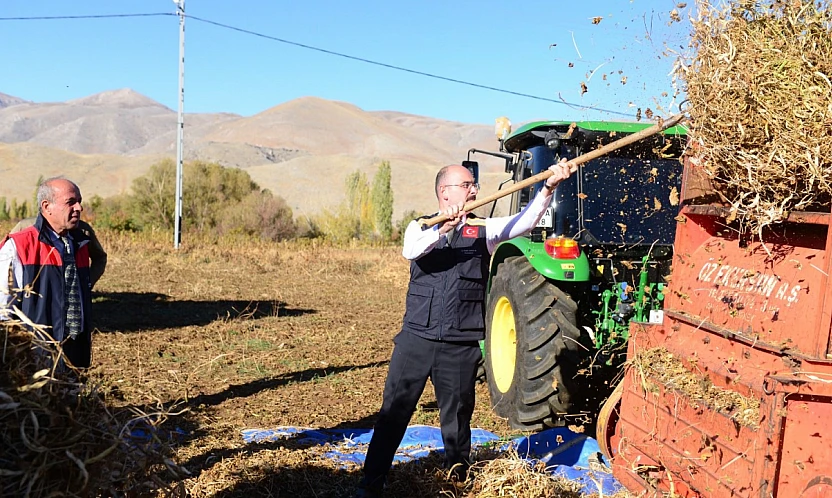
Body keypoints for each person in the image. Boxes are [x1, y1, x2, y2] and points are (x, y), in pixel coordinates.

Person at [357, 159, 576, 497]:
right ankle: (372, 483)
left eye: (474, 184)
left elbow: (524, 222)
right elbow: (411, 249)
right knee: (393, 412)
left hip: (460, 345)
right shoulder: (421, 226)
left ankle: (456, 482)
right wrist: (444, 227)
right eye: (467, 184)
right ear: (445, 192)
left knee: (457, 419)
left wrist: (548, 188)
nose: (475, 189)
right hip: (416, 339)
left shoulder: (483, 230)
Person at [0, 178, 95, 368]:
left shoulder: (80, 244)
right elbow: (3, 310)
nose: (79, 208)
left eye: (79, 201)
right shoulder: (18, 246)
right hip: (35, 357)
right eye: (71, 202)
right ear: (47, 206)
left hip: (76, 351)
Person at [10, 216, 107, 288]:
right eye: (70, 202)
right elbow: (6, 259)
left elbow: (99, 258)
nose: (78, 207)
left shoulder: (82, 230)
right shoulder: (24, 227)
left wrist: (87, 282)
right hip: (31, 295)